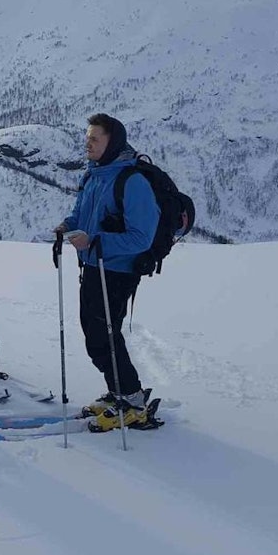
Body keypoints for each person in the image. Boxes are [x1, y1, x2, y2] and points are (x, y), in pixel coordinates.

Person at [56, 113, 159, 430]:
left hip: (117, 271)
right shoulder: (94, 175)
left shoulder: (132, 181)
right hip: (92, 265)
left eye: (95, 138)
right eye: (87, 137)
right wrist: (68, 227)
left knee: (105, 335)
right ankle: (121, 392)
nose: (88, 143)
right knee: (95, 334)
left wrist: (96, 240)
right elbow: (81, 216)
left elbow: (142, 237)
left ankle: (133, 399)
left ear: (112, 142)